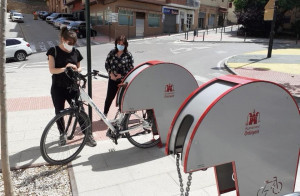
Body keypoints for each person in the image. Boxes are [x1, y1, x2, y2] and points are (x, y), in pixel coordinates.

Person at [46, 27, 96, 147]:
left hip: (72, 87)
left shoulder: (75, 52)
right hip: (58, 87)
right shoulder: (53, 51)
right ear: (63, 39)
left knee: (80, 111)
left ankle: (87, 134)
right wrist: (66, 68)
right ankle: (62, 134)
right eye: (69, 43)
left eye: (73, 43)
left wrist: (76, 69)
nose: (71, 46)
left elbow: (79, 68)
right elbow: (52, 70)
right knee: (59, 112)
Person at [104, 35, 134, 117]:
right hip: (112, 80)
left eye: (122, 44)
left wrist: (122, 75)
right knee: (109, 97)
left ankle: (123, 116)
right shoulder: (112, 52)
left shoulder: (128, 55)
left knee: (123, 99)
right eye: (119, 43)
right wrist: (110, 73)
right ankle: (105, 113)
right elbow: (107, 64)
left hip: (123, 81)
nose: (120, 45)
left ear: (125, 45)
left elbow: (131, 69)